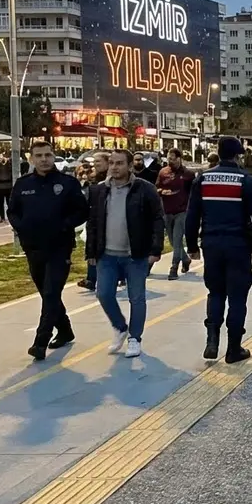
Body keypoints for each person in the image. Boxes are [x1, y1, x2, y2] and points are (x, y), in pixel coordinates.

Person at [185, 136, 252, 364]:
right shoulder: (246, 180)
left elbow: (192, 214)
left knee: (215, 292)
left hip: (211, 244)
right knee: (237, 297)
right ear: (237, 155)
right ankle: (234, 349)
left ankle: (212, 340)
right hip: (238, 245)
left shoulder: (203, 179)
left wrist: (192, 245)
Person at [7, 141, 88, 361]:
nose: (44, 159)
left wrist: (64, 225)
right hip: (33, 247)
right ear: (31, 159)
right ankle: (65, 330)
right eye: (39, 155)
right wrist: (21, 227)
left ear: (54, 156)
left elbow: (82, 211)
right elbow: (12, 211)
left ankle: (40, 341)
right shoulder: (23, 184)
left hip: (59, 247)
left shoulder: (67, 183)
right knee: (46, 292)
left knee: (52, 292)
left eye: (48, 155)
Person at [85, 149, 164, 358]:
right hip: (106, 254)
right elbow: (93, 222)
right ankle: (120, 327)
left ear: (130, 166)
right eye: (111, 162)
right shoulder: (99, 190)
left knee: (136, 297)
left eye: (119, 163)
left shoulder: (145, 189)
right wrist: (91, 251)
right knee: (103, 294)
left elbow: (158, 219)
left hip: (135, 254)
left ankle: (135, 338)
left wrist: (155, 249)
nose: (114, 167)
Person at [156, 147, 196, 280]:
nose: (170, 161)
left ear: (179, 159)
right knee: (173, 241)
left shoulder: (188, 174)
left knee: (177, 238)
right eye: (169, 159)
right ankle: (185, 259)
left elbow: (194, 193)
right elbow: (157, 187)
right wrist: (161, 191)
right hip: (167, 210)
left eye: (173, 159)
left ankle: (174, 267)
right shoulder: (163, 172)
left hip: (182, 210)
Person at [77, 152, 110, 291]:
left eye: (98, 161)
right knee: (92, 246)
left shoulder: (111, 179)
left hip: (107, 219)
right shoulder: (93, 178)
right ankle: (91, 279)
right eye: (94, 161)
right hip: (94, 218)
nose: (95, 164)